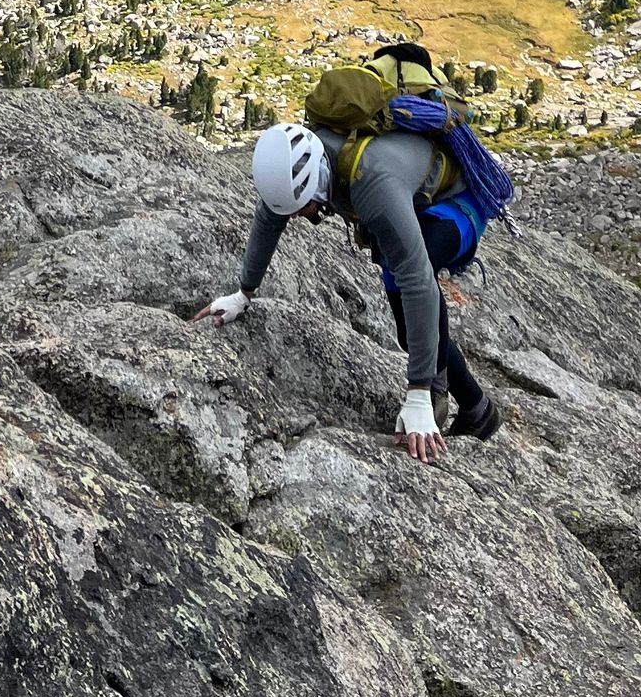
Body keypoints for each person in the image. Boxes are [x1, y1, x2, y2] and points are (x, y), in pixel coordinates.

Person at [197, 117, 500, 459]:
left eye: (302, 208)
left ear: (319, 182)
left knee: (418, 274)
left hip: (456, 200)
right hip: (412, 198)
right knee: (407, 329)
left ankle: (434, 393)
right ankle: (477, 408)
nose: (297, 217)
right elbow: (269, 221)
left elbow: (419, 281)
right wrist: (243, 294)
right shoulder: (296, 168)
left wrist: (416, 392)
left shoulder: (372, 183)